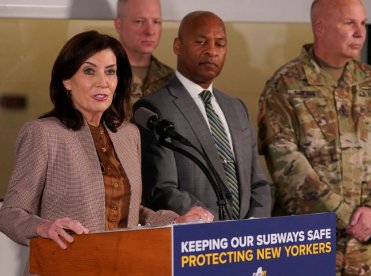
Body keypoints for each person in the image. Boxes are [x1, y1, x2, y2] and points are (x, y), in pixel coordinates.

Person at [0, 30, 213, 251]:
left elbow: (131, 211)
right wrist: (44, 228)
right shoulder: (43, 134)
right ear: (67, 81)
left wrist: (173, 222)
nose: (103, 82)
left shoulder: (128, 135)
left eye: (110, 72)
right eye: (89, 71)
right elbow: (9, 213)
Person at [257, 0, 371, 274]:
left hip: (364, 246)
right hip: (307, 243)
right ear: (320, 28)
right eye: (349, 23)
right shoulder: (285, 86)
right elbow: (285, 161)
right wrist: (345, 215)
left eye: (362, 23)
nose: (360, 32)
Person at [134, 11, 271, 221]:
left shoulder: (237, 108)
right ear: (177, 46)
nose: (211, 52)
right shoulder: (156, 107)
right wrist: (218, 228)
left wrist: (251, 226)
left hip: (248, 243)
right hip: (198, 241)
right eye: (201, 42)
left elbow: (258, 183)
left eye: (220, 44)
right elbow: (162, 190)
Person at [114, 0, 174, 104]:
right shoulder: (101, 74)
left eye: (156, 22)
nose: (150, 31)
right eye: (139, 21)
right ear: (119, 25)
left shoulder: (173, 79)